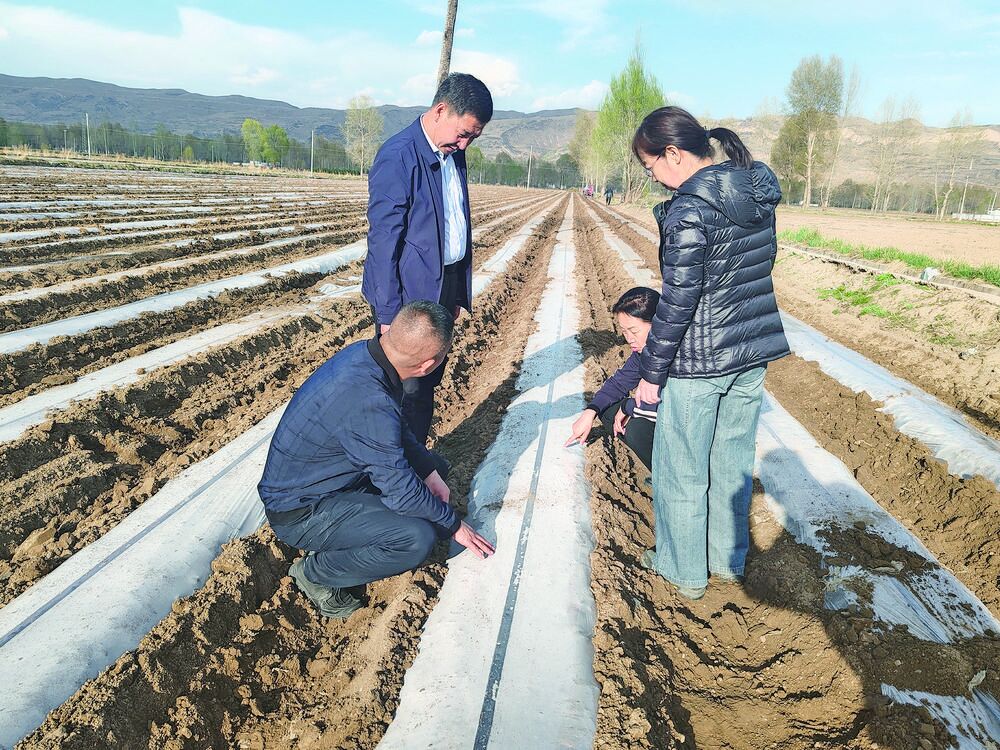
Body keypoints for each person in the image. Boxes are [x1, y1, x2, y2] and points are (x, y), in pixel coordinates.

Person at [631, 106, 790, 600]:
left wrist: (651, 375)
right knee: (731, 463)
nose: (652, 177)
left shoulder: (688, 209)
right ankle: (726, 562)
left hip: (699, 361)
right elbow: (761, 264)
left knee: (681, 469)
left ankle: (683, 571)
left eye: (650, 165)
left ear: (673, 154)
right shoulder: (756, 193)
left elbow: (678, 301)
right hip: (751, 355)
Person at [257, 301, 495, 619]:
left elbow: (393, 433)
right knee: (416, 538)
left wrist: (427, 471)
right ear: (428, 365)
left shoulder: (368, 357)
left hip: (330, 481)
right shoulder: (367, 398)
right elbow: (400, 490)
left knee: (434, 469)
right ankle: (316, 572)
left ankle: (347, 536)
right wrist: (452, 524)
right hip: (302, 511)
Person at [362, 72, 493, 445]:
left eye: (474, 137)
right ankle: (396, 467)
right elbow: (383, 242)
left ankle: (415, 458)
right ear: (440, 111)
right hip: (407, 298)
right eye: (464, 133)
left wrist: (454, 292)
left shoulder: (453, 153)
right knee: (407, 389)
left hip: (442, 285)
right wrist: (388, 315)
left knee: (429, 379)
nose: (465, 143)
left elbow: (452, 222)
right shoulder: (399, 156)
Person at [564, 287, 660, 471]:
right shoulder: (643, 353)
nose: (629, 339)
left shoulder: (677, 353)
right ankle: (659, 468)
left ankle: (669, 481)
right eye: (624, 332)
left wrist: (628, 406)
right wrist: (590, 412)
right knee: (607, 410)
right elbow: (619, 383)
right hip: (659, 414)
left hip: (684, 423)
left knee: (637, 430)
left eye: (634, 331)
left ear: (657, 323)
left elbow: (673, 406)